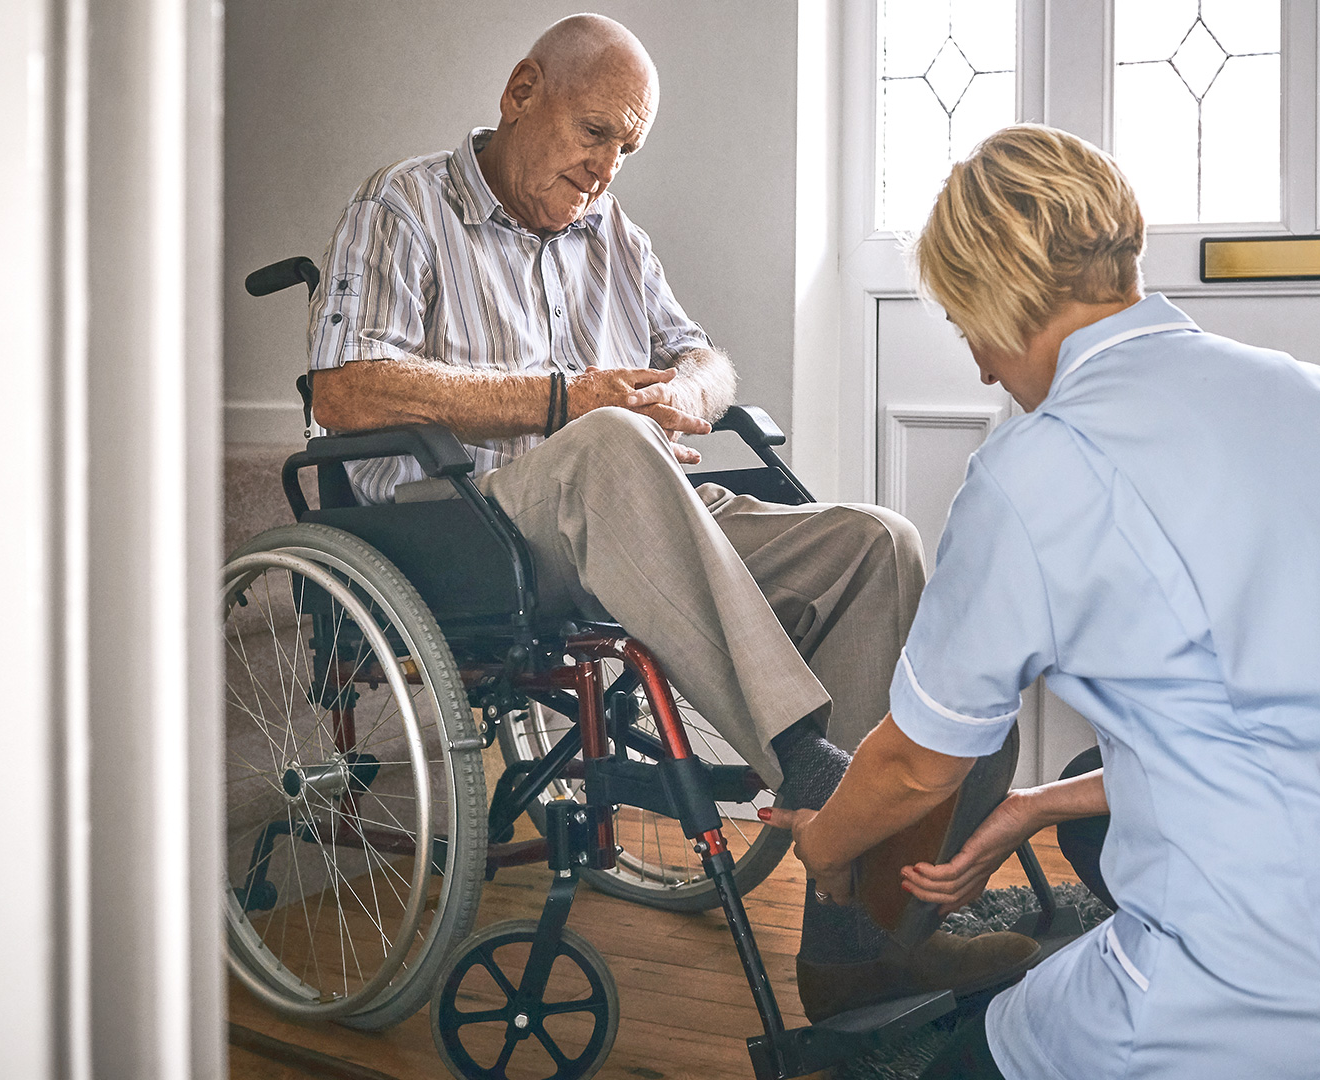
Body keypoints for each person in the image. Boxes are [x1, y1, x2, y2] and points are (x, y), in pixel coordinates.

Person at [769, 124, 1320, 1079]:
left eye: (969, 332)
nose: (980, 371)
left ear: (997, 299)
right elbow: (1294, 713)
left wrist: (830, 851)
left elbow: (918, 767)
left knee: (961, 1064)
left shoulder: (1040, 467)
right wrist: (1035, 805)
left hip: (1289, 1004)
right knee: (1101, 783)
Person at [304, 13, 1030, 1012]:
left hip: (639, 503)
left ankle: (853, 944)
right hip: (468, 525)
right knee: (607, 440)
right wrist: (567, 400)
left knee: (875, 541)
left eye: (626, 149)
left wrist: (692, 389)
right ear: (522, 93)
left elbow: (704, 354)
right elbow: (346, 390)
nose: (605, 169)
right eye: (594, 133)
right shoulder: (406, 204)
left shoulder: (613, 233)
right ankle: (814, 771)